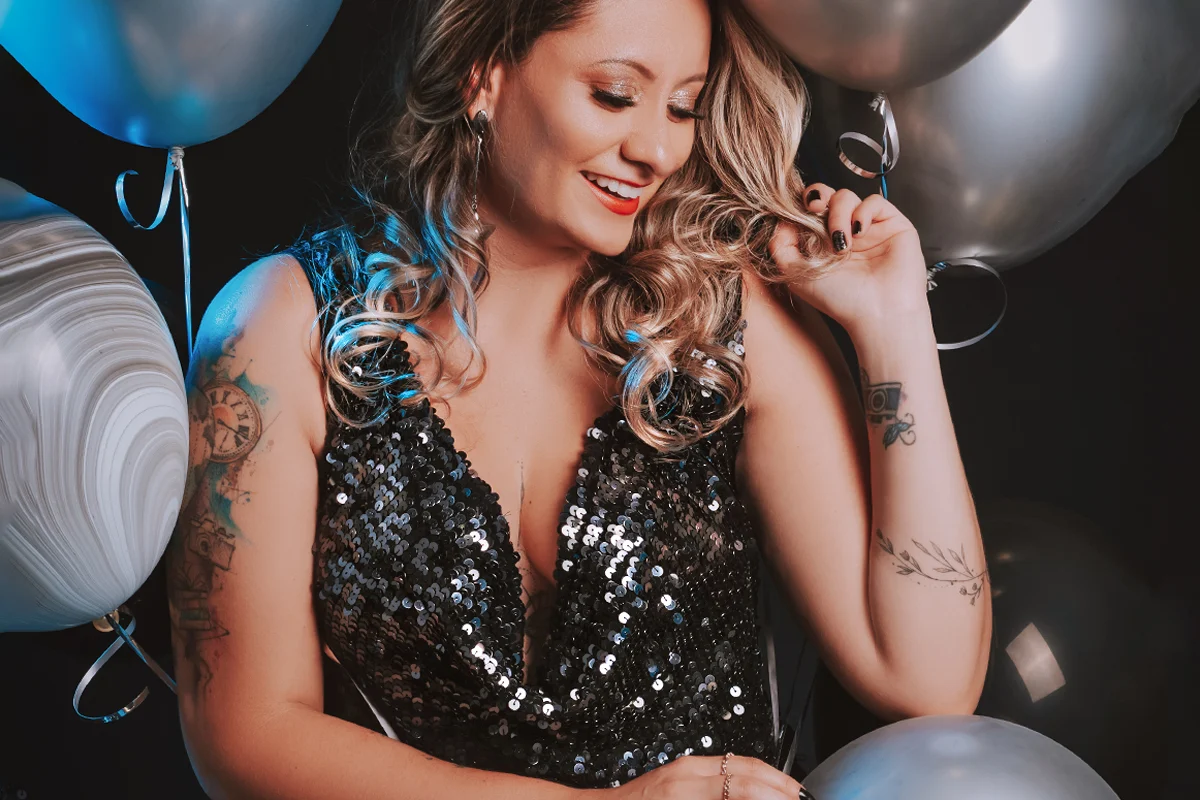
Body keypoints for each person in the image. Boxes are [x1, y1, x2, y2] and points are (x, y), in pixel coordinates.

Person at [164, 0, 992, 797]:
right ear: (482, 72)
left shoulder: (723, 325)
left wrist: (893, 323)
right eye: (615, 95)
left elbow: (924, 677)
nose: (657, 150)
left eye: (682, 109)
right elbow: (243, 736)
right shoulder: (284, 327)